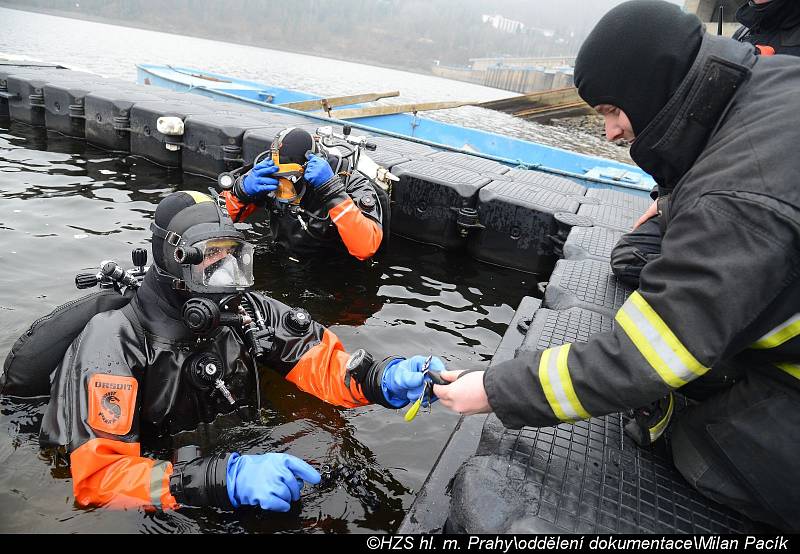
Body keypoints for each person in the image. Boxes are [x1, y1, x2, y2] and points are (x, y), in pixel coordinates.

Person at [432, 0, 800, 531]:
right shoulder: (769, 86)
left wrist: (493, 388)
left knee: (698, 438)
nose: (608, 133)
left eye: (610, 111)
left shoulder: (734, 202)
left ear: (651, 90)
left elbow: (647, 356)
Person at [36, 190, 443, 512]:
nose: (225, 272)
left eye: (229, 255)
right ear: (174, 262)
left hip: (236, 457)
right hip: (173, 492)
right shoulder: (115, 340)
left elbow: (319, 361)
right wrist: (220, 481)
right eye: (210, 257)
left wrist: (378, 379)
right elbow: (100, 478)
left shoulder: (244, 309)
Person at [611, 0, 800, 290]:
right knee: (630, 256)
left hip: (768, 201)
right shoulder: (744, 34)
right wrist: (670, 199)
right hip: (714, 190)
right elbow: (696, 128)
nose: (610, 132)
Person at [221, 127, 386, 262]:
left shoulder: (350, 182)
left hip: (334, 271)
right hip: (283, 258)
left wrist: (332, 192)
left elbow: (365, 248)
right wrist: (241, 192)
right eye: (278, 178)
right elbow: (217, 218)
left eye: (289, 178)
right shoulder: (267, 174)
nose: (282, 186)